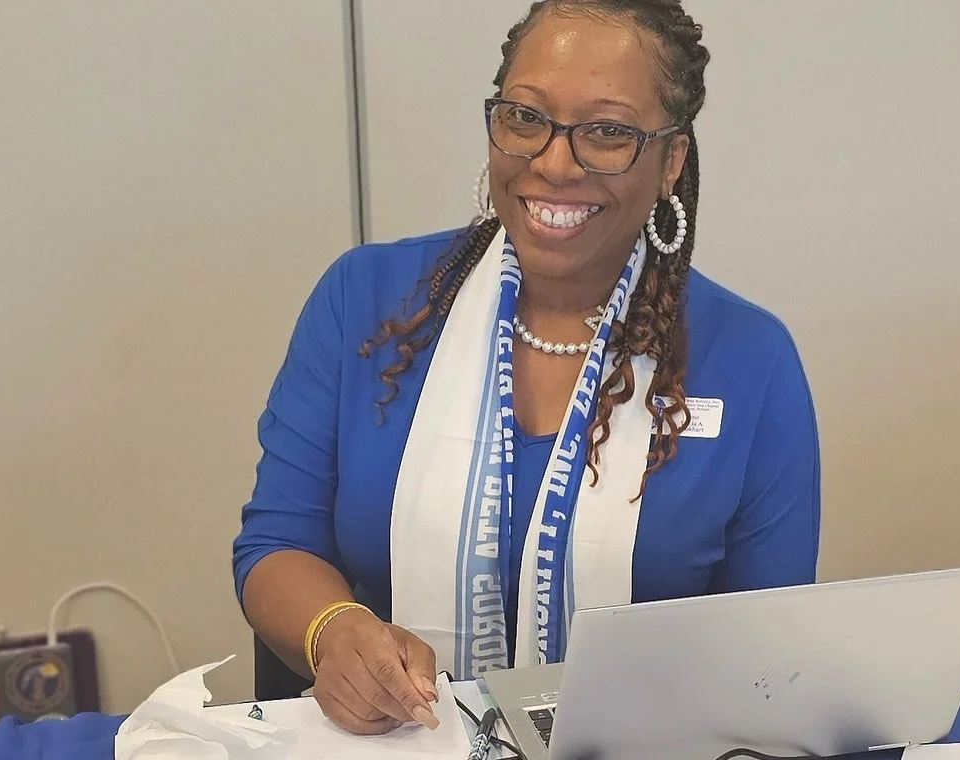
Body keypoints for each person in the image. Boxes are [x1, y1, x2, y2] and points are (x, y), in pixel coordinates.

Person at [232, 0, 820, 736]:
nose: (553, 161)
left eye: (607, 132)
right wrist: (333, 629)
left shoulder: (752, 359)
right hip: (399, 743)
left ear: (671, 160)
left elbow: (769, 657)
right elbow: (277, 544)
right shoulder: (367, 301)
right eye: (525, 117)